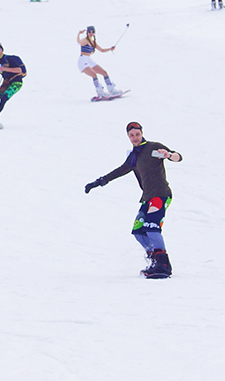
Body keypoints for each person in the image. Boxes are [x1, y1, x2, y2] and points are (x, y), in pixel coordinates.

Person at [84, 121, 183, 279]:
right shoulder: (134, 157)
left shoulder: (153, 148)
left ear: (142, 133)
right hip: (147, 197)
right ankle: (154, 261)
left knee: (151, 227)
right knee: (138, 232)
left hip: (161, 194)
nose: (135, 137)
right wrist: (99, 182)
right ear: (128, 137)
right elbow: (120, 170)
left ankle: (163, 265)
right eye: (132, 135)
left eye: (137, 134)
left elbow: (178, 157)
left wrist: (169, 155)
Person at [78, 26, 120, 100]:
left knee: (104, 72)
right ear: (87, 32)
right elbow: (79, 41)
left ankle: (111, 89)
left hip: (89, 60)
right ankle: (100, 92)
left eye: (92, 32)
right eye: (89, 32)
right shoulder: (84, 40)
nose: (91, 33)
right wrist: (79, 34)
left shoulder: (93, 42)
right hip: (83, 60)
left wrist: (110, 49)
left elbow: (102, 50)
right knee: (94, 74)